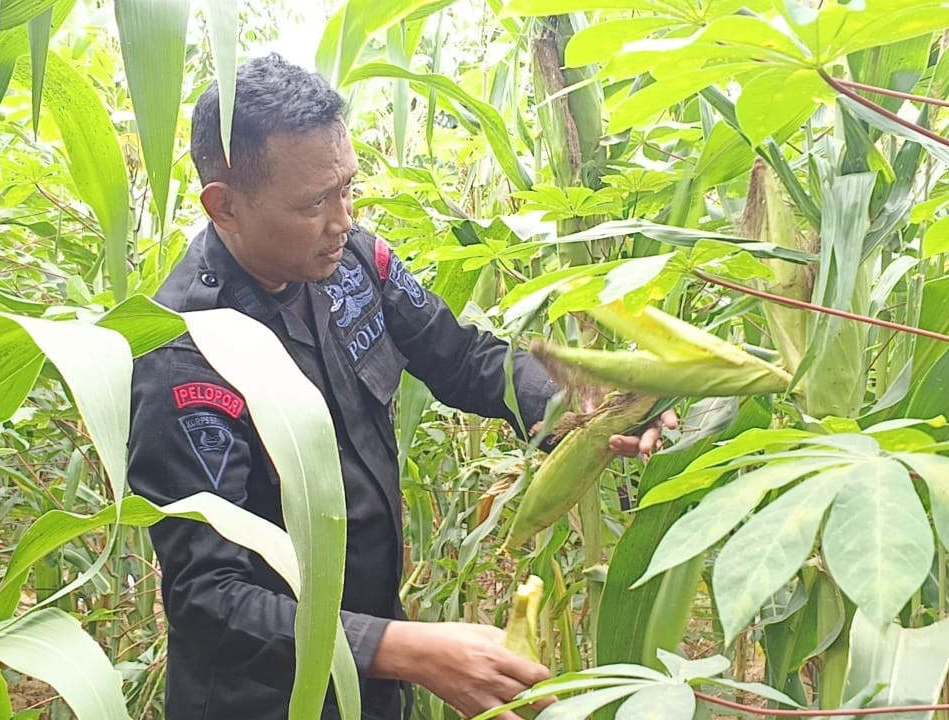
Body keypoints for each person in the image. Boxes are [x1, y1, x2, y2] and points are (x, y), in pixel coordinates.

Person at [126, 53, 677, 720]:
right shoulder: (186, 357)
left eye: (347, 188)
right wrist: (405, 650)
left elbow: (463, 358)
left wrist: (587, 411)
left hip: (376, 670)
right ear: (227, 206)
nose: (344, 220)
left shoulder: (353, 260)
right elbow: (209, 599)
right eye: (313, 203)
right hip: (267, 695)